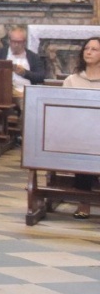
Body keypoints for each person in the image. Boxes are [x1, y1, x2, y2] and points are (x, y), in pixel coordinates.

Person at [60, 36, 100, 218]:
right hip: (79, 133)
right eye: (87, 49)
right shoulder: (72, 80)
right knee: (82, 149)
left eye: (94, 49)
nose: (89, 52)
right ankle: (83, 203)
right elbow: (62, 109)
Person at [0, 25, 47, 90]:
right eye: (14, 41)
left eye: (19, 42)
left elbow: (41, 77)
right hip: (3, 92)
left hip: (25, 93)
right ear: (9, 41)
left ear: (24, 42)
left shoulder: (33, 57)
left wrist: (24, 73)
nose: (16, 45)